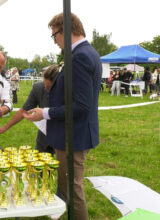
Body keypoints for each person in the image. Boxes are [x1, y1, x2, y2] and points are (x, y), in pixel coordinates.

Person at [23, 13, 101, 220]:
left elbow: (81, 106)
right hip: (73, 135)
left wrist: (45, 112)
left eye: (54, 35)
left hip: (72, 137)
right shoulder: (84, 54)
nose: (55, 42)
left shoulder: (80, 56)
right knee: (70, 189)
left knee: (72, 191)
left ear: (65, 30)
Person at [0, 65, 60, 154]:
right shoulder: (38, 88)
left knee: (64, 167)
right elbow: (23, 111)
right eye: (45, 85)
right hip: (44, 138)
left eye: (49, 88)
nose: (46, 89)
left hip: (64, 137)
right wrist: (5, 127)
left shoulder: (69, 90)